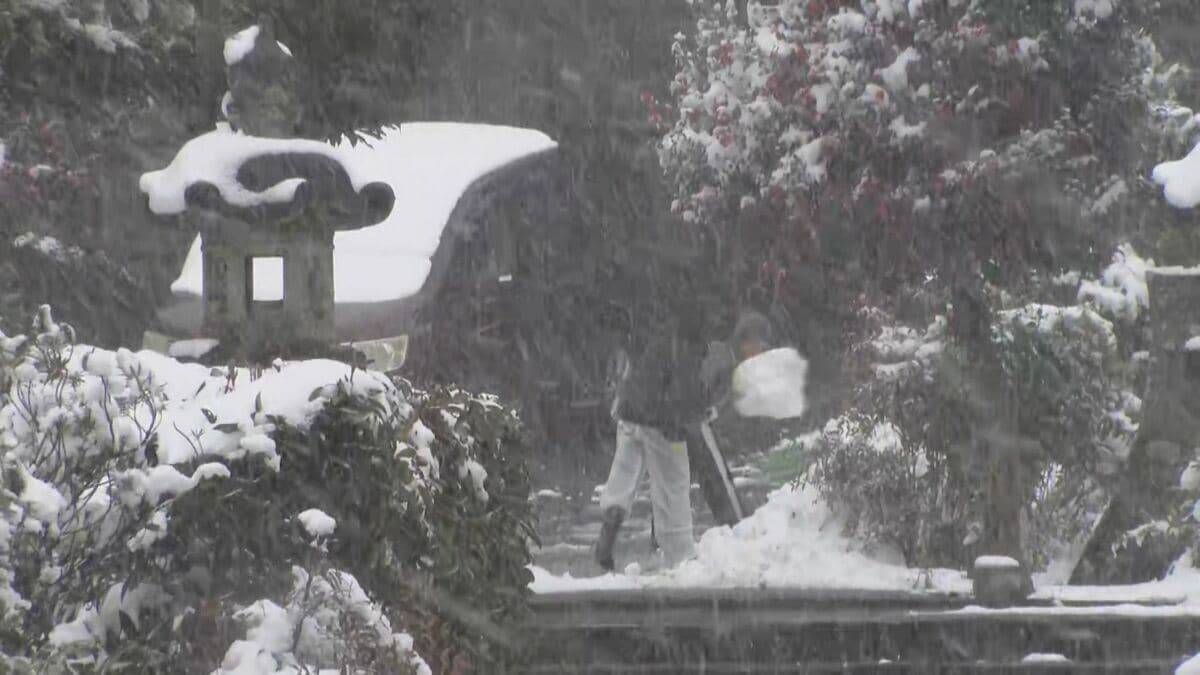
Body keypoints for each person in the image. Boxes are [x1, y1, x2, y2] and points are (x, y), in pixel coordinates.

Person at [594, 300, 710, 572]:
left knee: (625, 473)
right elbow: (684, 394)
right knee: (673, 483)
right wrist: (695, 414)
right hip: (656, 417)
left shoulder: (659, 337)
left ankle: (610, 523)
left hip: (630, 409)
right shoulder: (686, 346)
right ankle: (681, 557)